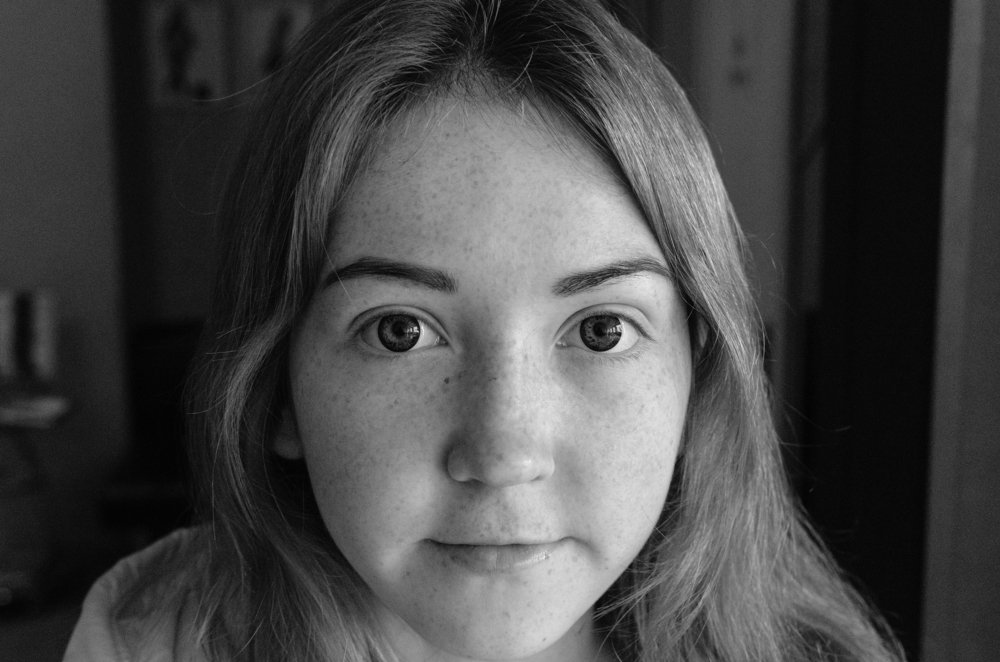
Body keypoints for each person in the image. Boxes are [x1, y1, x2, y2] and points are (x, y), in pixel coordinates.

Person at [64, 0, 905, 660]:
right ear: (276, 390)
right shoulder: (158, 640)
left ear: (699, 378)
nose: (503, 452)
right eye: (399, 331)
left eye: (601, 330)